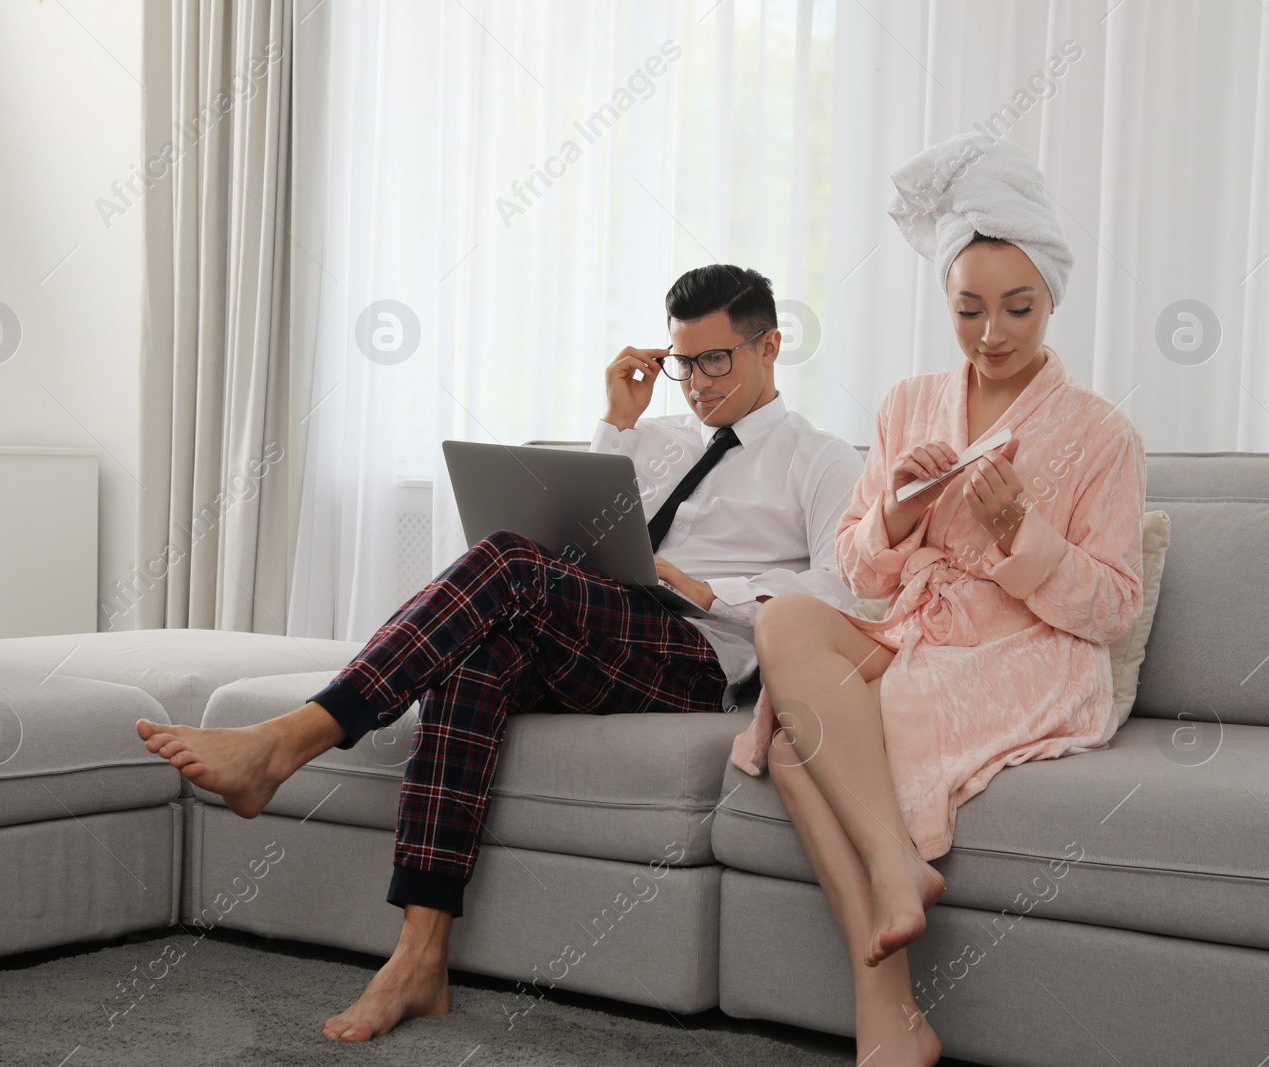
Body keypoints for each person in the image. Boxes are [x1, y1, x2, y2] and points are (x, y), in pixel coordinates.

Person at [136, 264, 869, 1042]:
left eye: (716, 360)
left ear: (772, 346)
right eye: (683, 362)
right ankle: (420, 956)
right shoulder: (652, 439)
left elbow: (840, 598)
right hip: (598, 626)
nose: (696, 383)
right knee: (477, 657)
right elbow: (577, 538)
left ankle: (292, 739)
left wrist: (709, 588)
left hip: (697, 656)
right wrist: (616, 422)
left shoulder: (821, 460)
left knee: (509, 561)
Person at [734, 133, 1147, 1066]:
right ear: (945, 301)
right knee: (786, 618)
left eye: (1017, 308)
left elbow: (1114, 607)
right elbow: (857, 568)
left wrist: (1020, 539)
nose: (992, 333)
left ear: (1053, 300)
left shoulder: (1103, 434)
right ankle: (897, 866)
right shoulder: (909, 402)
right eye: (969, 309)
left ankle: (889, 1019)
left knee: (802, 740)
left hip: (1029, 650)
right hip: (915, 626)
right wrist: (897, 512)